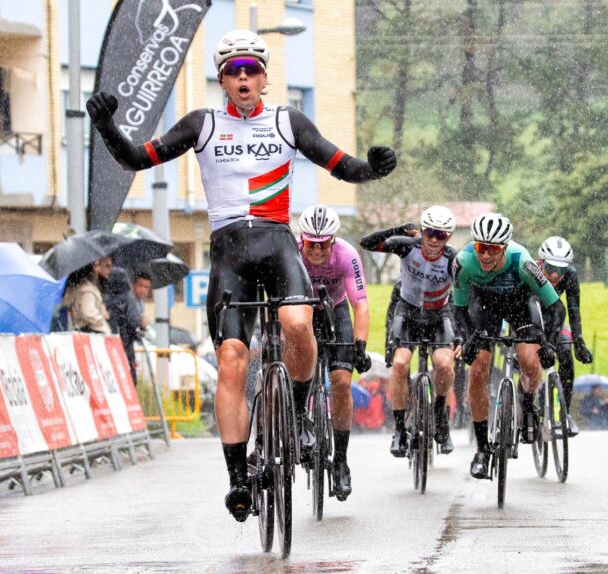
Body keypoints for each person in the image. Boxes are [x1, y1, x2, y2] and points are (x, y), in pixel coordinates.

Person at [87, 29, 396, 522]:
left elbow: (341, 165)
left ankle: (297, 415)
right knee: (232, 360)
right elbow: (135, 158)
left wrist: (373, 170)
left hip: (277, 243)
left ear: (265, 78)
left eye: (252, 68)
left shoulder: (287, 121)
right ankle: (237, 480)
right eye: (234, 70)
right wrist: (107, 126)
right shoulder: (201, 124)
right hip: (229, 252)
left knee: (297, 324)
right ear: (223, 80)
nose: (244, 76)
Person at [452, 213, 565, 480]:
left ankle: (527, 402)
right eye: (481, 247)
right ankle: (482, 450)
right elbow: (458, 310)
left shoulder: (523, 261)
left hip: (519, 303)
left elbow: (556, 307)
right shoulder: (463, 262)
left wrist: (548, 342)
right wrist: (467, 339)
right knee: (478, 369)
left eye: (493, 249)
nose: (486, 255)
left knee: (529, 360)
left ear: (504, 247)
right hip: (485, 305)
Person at [360, 206, 460, 458]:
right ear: (422, 231)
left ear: (448, 237)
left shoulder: (453, 259)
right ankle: (399, 429)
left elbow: (463, 296)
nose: (435, 240)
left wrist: (461, 333)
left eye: (442, 235)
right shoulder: (407, 246)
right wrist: (398, 230)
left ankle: (439, 415)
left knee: (444, 363)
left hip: (439, 315)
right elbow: (367, 243)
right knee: (401, 364)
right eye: (430, 233)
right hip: (408, 311)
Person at [297, 205, 371, 501]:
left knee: (341, 382)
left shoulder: (346, 255)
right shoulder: (292, 251)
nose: (315, 250)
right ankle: (300, 418)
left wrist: (360, 344)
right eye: (310, 244)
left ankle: (340, 461)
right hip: (300, 311)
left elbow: (361, 304)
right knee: (298, 369)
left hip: (335, 311)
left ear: (333, 241)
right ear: (302, 239)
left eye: (323, 244)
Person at [537, 236, 593, 437]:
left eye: (560, 270)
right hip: (530, 317)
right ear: (541, 262)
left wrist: (579, 340)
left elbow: (574, 309)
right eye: (551, 267)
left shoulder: (570, 275)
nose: (554, 275)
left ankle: (565, 414)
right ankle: (529, 406)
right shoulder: (531, 271)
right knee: (530, 361)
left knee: (566, 357)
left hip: (555, 318)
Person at [103, 267, 142, 384]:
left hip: (108, 341)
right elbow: (133, 320)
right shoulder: (129, 298)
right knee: (128, 374)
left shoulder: (105, 297)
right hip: (126, 342)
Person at [61, 257, 112, 335]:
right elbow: (88, 312)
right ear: (95, 268)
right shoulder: (88, 290)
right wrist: (101, 317)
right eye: (107, 266)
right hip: (92, 333)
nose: (110, 270)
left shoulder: (86, 288)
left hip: (88, 332)